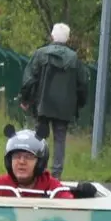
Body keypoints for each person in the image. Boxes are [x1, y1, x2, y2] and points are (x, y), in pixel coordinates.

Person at [19, 22, 89, 178]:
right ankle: (56, 174)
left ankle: (37, 169)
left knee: (40, 137)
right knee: (60, 139)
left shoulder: (40, 54)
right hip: (64, 107)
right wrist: (79, 103)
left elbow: (29, 79)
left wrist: (25, 99)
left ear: (52, 36)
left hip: (42, 103)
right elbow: (82, 84)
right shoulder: (74, 58)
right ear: (68, 39)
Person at [0, 130, 73, 196]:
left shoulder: (54, 189)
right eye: (16, 156)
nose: (21, 162)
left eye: (28, 157)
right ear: (9, 161)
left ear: (40, 163)